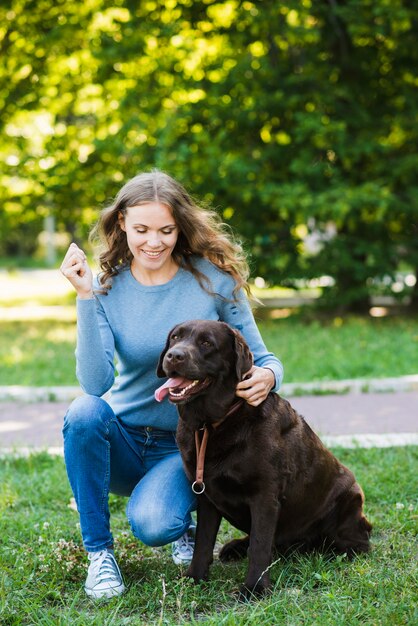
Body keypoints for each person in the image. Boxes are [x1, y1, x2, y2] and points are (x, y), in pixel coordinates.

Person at [60, 169, 284, 599]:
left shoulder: (214, 280)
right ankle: (100, 556)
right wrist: (85, 297)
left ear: (181, 226)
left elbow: (264, 356)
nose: (153, 242)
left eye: (166, 229)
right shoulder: (107, 287)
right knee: (83, 412)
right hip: (123, 439)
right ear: (121, 223)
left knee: (155, 525)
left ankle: (181, 516)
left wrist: (269, 376)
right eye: (141, 229)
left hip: (189, 447)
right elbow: (94, 382)